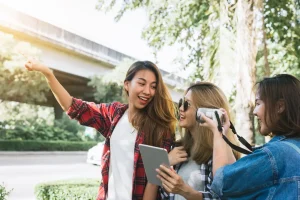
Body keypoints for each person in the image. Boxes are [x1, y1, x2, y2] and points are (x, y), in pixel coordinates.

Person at [24, 60, 177, 200]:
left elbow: (155, 181)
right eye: (142, 83)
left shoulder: (160, 129)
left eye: (153, 86)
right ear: (127, 85)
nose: (148, 91)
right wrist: (49, 74)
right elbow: (74, 107)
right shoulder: (114, 114)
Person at [200, 74, 300, 199]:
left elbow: (222, 185)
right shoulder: (294, 149)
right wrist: (224, 132)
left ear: (279, 106)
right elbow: (238, 180)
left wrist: (217, 132)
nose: (254, 111)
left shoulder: (274, 155)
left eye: (258, 104)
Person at [143, 82, 240, 200]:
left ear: (205, 111)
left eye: (187, 104)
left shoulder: (221, 155)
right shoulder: (175, 149)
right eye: (181, 103)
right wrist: (163, 164)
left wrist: (184, 190)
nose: (181, 108)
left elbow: (223, 197)